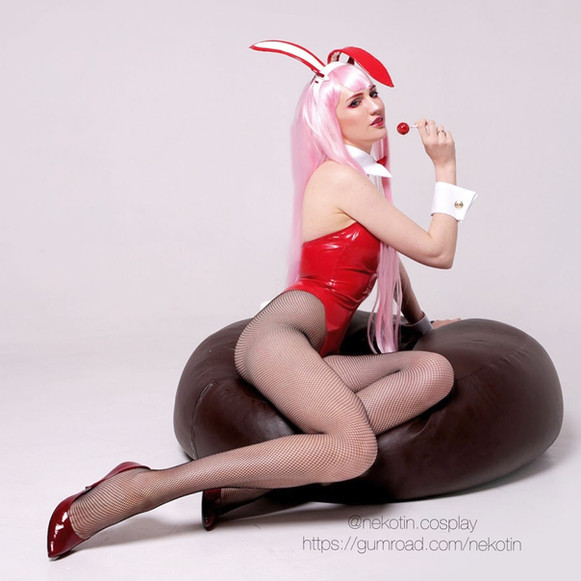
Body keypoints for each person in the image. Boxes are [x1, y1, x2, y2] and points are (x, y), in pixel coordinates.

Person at [47, 40, 476, 558]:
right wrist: (447, 169)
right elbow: (438, 251)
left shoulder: (363, 180)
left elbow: (390, 258)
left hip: (315, 355)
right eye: (355, 101)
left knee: (434, 372)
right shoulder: (340, 178)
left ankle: (239, 486)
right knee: (354, 449)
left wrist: (421, 323)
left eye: (373, 94)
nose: (374, 106)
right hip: (279, 337)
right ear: (330, 120)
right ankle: (143, 487)